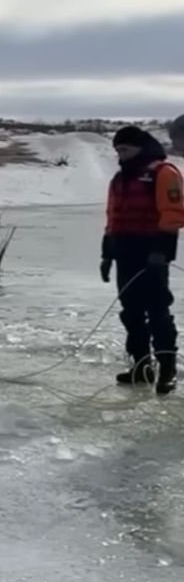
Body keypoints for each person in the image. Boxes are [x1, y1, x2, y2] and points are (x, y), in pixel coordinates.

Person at [101, 125, 184, 395]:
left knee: (157, 311)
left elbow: (173, 214)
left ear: (140, 146)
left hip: (152, 253)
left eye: (124, 149)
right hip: (125, 253)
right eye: (118, 151)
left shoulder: (164, 173)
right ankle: (141, 366)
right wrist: (107, 254)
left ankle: (168, 368)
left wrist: (161, 250)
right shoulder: (119, 179)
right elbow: (112, 218)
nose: (121, 155)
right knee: (131, 312)